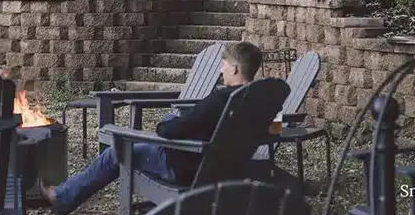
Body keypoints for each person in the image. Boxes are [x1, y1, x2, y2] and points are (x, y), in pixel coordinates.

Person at [39, 42, 263, 214]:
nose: (221, 72)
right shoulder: (257, 101)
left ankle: (63, 197)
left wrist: (164, 124)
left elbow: (174, 131)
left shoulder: (220, 99)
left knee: (114, 153)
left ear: (234, 69)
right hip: (222, 168)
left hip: (183, 167)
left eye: (223, 67)